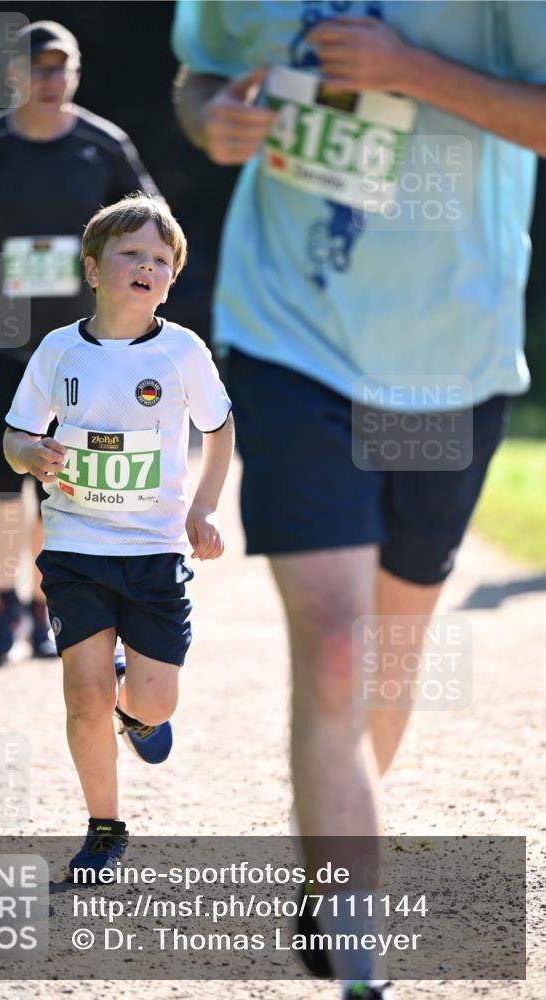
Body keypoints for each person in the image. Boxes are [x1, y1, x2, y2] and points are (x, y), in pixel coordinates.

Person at [172, 3, 545, 998]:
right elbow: (202, 69)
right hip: (290, 337)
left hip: (450, 359)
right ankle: (360, 964)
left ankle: (329, 870)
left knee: (387, 656)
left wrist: (407, 69)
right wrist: (211, 118)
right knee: (337, 649)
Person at [3, 194, 234, 875]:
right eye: (130, 253)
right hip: (74, 546)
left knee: (156, 700)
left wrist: (204, 508)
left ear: (171, 277)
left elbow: (219, 430)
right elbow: (16, 435)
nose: (145, 266)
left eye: (160, 259)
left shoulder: (182, 352)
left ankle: (137, 710)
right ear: (92, 269)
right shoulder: (59, 349)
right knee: (84, 693)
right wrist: (29, 453)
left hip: (154, 550)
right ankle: (104, 827)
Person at [0, 20, 159, 661]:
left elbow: (148, 221)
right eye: (39, 68)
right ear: (14, 75)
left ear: (75, 75)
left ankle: (49, 599)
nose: (51, 80)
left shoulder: (104, 146)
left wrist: (135, 287)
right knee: (4, 472)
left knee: (62, 473)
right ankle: (6, 601)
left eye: (62, 68)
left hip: (79, 339)